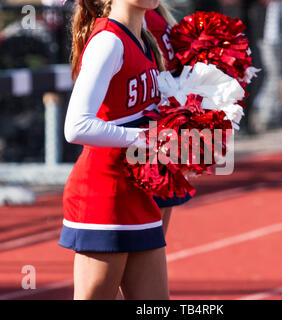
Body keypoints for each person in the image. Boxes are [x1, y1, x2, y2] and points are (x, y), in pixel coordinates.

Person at [58, 0, 169, 300]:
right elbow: (76, 127)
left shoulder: (144, 39)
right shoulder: (108, 40)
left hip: (137, 190)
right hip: (103, 196)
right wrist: (146, 139)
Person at [144, 2, 193, 236]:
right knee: (150, 239)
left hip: (164, 124)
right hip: (156, 126)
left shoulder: (152, 13)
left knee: (152, 240)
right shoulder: (143, 15)